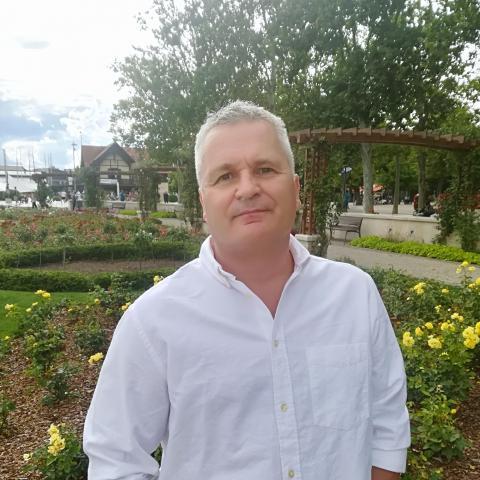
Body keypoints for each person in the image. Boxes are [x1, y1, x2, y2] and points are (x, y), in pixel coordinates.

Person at [83, 101, 410, 480]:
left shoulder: (354, 295)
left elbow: (387, 421)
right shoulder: (153, 321)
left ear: (295, 188)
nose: (248, 188)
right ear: (204, 202)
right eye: (225, 176)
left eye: (265, 169)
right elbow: (116, 459)